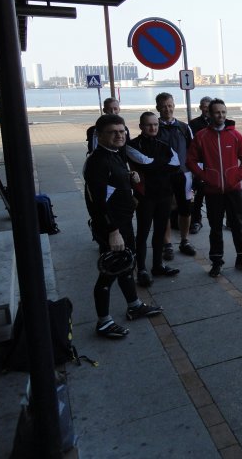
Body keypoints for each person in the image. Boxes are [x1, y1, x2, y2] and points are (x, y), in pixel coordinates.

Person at [83, 113, 162, 339]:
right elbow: (97, 203)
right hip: (111, 228)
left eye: (122, 131)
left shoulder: (115, 154)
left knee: (127, 265)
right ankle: (104, 322)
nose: (119, 135)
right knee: (108, 273)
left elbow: (114, 182)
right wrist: (113, 231)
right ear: (99, 135)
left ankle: (134, 305)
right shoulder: (97, 162)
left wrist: (129, 176)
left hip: (123, 223)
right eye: (113, 132)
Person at [187, 99, 242, 277]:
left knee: (237, 226)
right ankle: (217, 262)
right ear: (209, 114)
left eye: (223, 112)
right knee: (215, 228)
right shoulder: (201, 136)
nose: (221, 115)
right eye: (217, 112)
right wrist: (205, 176)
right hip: (213, 192)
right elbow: (190, 161)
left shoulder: (235, 135)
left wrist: (237, 176)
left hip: (234, 190)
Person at [126, 112, 181, 287]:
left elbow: (176, 164)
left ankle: (157, 265)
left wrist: (154, 164)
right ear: (141, 126)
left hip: (164, 195)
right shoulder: (131, 145)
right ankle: (141, 269)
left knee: (160, 232)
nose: (153, 128)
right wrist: (161, 164)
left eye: (155, 124)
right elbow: (145, 163)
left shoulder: (163, 144)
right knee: (142, 233)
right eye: (149, 125)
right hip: (145, 196)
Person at [155, 92, 196, 259]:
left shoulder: (184, 127)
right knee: (164, 210)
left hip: (184, 175)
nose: (167, 109)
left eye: (170, 105)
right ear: (158, 108)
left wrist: (196, 175)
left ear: (174, 106)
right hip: (162, 177)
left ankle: (185, 241)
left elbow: (193, 152)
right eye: (164, 106)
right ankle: (167, 244)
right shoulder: (154, 127)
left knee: (185, 210)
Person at [188, 96, 214, 234]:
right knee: (198, 195)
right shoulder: (193, 124)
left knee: (216, 195)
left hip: (214, 164)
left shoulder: (217, 123)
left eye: (209, 107)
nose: (207, 110)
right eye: (204, 107)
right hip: (199, 164)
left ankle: (221, 219)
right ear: (200, 108)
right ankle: (196, 221)